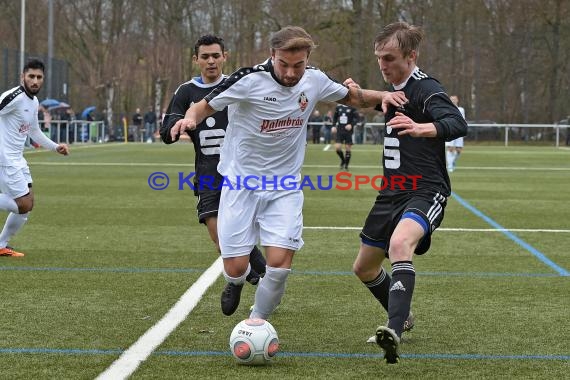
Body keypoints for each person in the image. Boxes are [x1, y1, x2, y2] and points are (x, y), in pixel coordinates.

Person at [170, 26, 407, 323]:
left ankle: (256, 322)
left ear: (307, 59)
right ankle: (235, 282)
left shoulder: (315, 79)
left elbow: (355, 98)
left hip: (285, 187)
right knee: (234, 266)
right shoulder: (247, 80)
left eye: (299, 65)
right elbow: (202, 107)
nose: (292, 73)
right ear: (272, 55)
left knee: (279, 267)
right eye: (284, 64)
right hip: (239, 185)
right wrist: (188, 120)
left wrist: (384, 95)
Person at [349, 21, 467, 364]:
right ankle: (403, 314)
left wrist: (421, 128)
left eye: (389, 58)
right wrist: (354, 92)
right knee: (365, 268)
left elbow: (457, 123)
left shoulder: (426, 88)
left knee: (400, 245)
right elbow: (367, 103)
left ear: (411, 56)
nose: (383, 65)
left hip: (425, 190)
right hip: (391, 192)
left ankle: (394, 328)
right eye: (378, 59)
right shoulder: (392, 92)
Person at [160, 35, 267, 313]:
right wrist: (177, 126)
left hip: (242, 173)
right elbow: (167, 128)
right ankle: (251, 275)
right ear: (196, 59)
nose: (211, 61)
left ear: (225, 57)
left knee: (239, 234)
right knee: (221, 238)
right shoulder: (187, 91)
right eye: (205, 56)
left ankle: (255, 278)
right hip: (208, 174)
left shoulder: (238, 85)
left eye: (215, 56)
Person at [0, 59, 70, 257]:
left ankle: (1, 244)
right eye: (31, 76)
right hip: (5, 160)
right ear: (22, 77)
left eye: (39, 77)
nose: (35, 81)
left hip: (18, 159)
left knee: (28, 204)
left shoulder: (34, 101)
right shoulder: (13, 97)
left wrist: (55, 147)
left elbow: (34, 131)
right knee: (23, 204)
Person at [333, 103, 358, 170]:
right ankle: (343, 160)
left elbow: (357, 119)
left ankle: (346, 165)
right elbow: (335, 117)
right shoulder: (338, 107)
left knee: (347, 148)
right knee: (337, 147)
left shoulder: (352, 107)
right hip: (340, 130)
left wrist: (351, 125)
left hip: (348, 131)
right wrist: (333, 126)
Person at [445, 95, 466, 172]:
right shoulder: (446, 108)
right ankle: (450, 166)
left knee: (458, 150)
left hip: (458, 131)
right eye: (451, 99)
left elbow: (463, 120)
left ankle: (452, 161)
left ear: (457, 100)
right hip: (449, 130)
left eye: (454, 99)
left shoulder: (461, 109)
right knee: (450, 149)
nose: (453, 101)